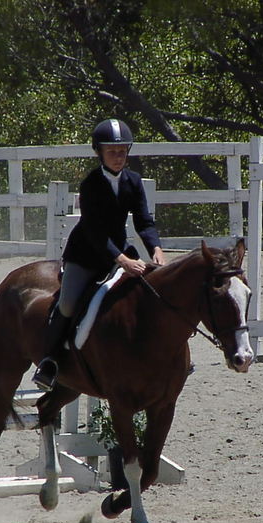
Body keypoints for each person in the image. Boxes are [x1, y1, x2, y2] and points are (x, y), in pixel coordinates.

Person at [32, 118, 166, 391]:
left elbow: (144, 221)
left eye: (122, 151)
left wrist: (156, 248)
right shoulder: (91, 184)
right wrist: (123, 260)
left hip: (120, 251)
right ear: (99, 152)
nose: (118, 157)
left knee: (152, 293)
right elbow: (94, 231)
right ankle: (49, 361)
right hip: (86, 254)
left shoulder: (133, 181)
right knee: (68, 304)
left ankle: (164, 355)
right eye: (111, 151)